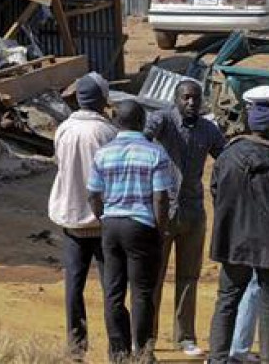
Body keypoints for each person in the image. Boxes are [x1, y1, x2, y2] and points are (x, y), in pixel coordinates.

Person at [207, 99, 269, 364]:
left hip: (232, 241)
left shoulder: (227, 156)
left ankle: (217, 359)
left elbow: (216, 194)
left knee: (226, 300)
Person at [88, 100, 174, 363]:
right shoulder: (155, 153)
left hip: (112, 225)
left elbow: (93, 194)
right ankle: (143, 352)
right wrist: (160, 232)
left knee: (113, 292)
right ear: (142, 122)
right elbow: (161, 198)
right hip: (141, 225)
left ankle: (119, 352)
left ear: (117, 123)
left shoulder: (102, 153)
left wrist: (104, 219)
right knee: (142, 292)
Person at [145, 79, 225, 357]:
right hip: (162, 210)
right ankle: (147, 336)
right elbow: (146, 132)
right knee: (153, 276)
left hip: (193, 212)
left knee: (189, 277)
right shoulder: (164, 120)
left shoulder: (208, 129)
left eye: (196, 98)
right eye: (186, 98)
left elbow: (224, 160)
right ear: (176, 99)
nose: (191, 103)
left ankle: (185, 337)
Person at [49, 72, 118, 359]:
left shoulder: (63, 129)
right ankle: (117, 349)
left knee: (73, 287)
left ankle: (76, 348)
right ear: (102, 100)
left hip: (72, 220)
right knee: (111, 289)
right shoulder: (107, 133)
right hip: (102, 223)